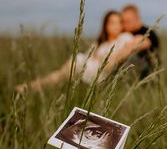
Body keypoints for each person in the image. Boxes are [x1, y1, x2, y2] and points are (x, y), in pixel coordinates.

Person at [15, 10, 145, 92]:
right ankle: (33, 87)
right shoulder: (100, 43)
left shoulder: (124, 37)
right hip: (87, 69)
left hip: (101, 75)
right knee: (64, 72)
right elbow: (91, 56)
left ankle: (32, 87)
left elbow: (115, 60)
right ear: (105, 25)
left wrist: (102, 59)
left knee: (69, 68)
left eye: (118, 22)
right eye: (112, 22)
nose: (116, 26)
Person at [121, 4, 160, 79]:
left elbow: (139, 44)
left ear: (137, 19)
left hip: (147, 74)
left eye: (127, 21)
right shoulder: (126, 33)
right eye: (123, 22)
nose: (124, 25)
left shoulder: (148, 32)